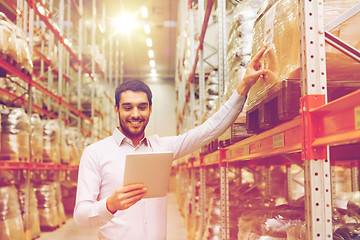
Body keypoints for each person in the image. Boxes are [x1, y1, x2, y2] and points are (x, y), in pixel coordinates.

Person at [73, 46, 269, 239]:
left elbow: (210, 130)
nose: (135, 114)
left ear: (150, 109)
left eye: (142, 107)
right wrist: (110, 205)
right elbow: (80, 217)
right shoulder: (95, 153)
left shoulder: (162, 148)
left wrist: (244, 86)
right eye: (127, 107)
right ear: (117, 110)